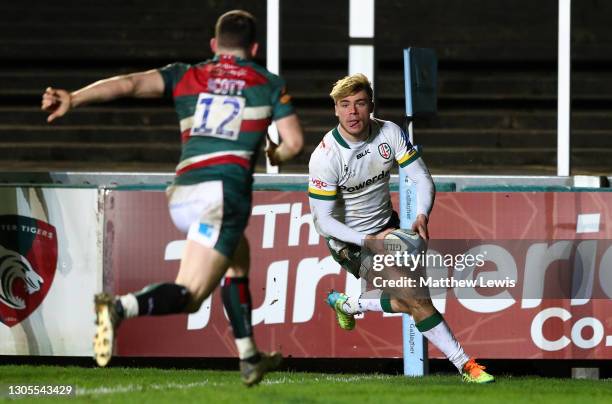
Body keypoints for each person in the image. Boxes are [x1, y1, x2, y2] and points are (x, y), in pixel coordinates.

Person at [41, 10, 304, 387]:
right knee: (192, 295)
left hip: (184, 194)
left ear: (214, 46)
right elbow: (293, 142)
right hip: (223, 195)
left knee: (238, 257)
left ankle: (249, 357)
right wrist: (276, 155)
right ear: (255, 48)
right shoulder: (267, 83)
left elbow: (129, 84)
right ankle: (118, 307)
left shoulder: (188, 75)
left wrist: (74, 98)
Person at [307, 73, 494, 384]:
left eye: (360, 104)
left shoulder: (388, 133)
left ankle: (349, 304)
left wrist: (422, 214)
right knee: (417, 299)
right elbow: (324, 221)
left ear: (371, 106)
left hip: (391, 230)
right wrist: (368, 240)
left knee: (410, 300)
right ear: (336, 110)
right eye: (345, 105)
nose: (353, 112)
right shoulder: (325, 157)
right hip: (349, 242)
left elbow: (422, 178)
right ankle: (467, 366)